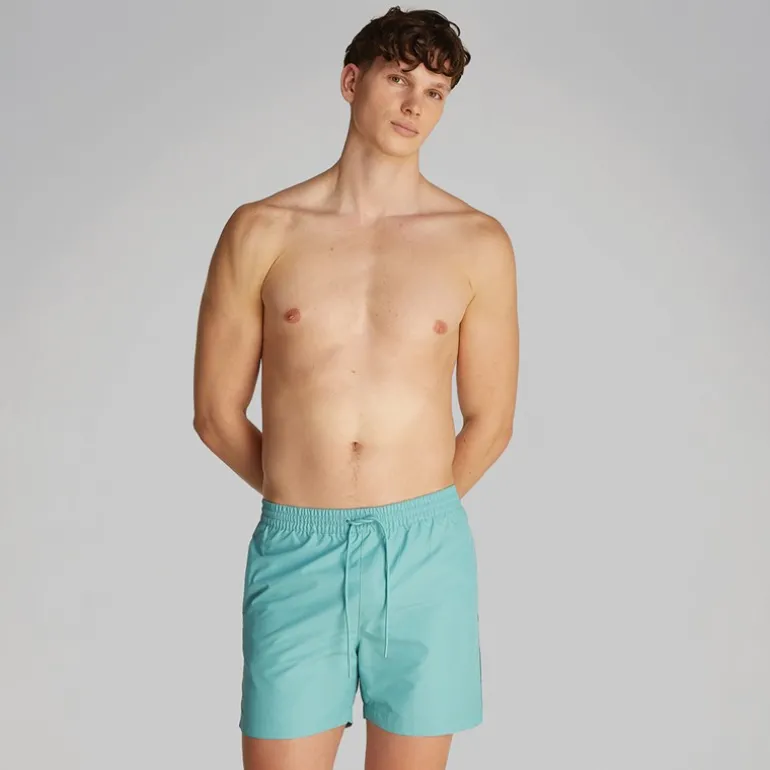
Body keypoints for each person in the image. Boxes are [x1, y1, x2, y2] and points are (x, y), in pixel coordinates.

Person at [192, 6, 519, 769]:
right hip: (296, 549)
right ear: (351, 81)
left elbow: (491, 420)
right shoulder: (262, 230)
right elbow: (214, 414)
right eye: (399, 79)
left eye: (435, 92)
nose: (415, 105)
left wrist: (409, 509)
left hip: (424, 553)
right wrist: (310, 493)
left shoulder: (477, 242)